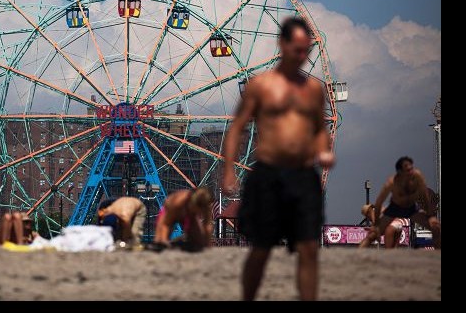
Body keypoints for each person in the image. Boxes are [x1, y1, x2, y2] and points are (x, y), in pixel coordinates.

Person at [221, 16, 335, 301]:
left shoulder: (313, 90)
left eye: (306, 51)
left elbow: (320, 130)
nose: (303, 57)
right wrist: (229, 171)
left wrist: (325, 151)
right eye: (297, 50)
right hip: (268, 173)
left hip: (303, 174)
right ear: (282, 45)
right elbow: (237, 127)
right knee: (261, 249)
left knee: (309, 248)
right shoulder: (261, 86)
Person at [358, 156, 441, 249]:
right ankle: (357, 256)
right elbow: (379, 202)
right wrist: (376, 223)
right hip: (395, 209)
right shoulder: (392, 182)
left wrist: (430, 216)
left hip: (411, 208)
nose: (410, 170)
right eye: (407, 169)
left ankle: (437, 257)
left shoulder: (417, 177)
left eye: (411, 167)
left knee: (436, 227)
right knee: (372, 235)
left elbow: (425, 196)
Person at [153, 187, 214, 251]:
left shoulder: (205, 205)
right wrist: (163, 241)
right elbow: (166, 224)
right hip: (169, 211)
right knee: (159, 242)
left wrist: (207, 244)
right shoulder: (178, 201)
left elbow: (207, 225)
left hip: (189, 214)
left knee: (199, 241)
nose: (200, 213)